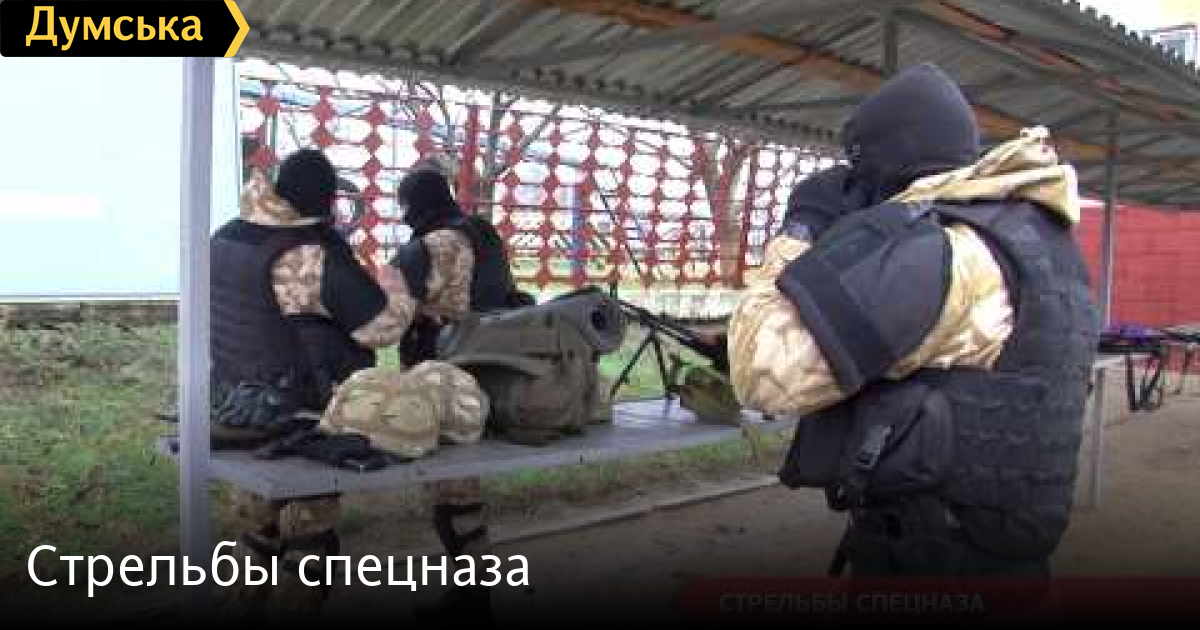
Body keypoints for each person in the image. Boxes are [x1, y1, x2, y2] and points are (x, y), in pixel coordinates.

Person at [727, 62, 1099, 579]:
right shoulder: (1036, 238)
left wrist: (800, 231)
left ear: (887, 163)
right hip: (1003, 558)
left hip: (932, 563)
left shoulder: (946, 253)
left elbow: (765, 374)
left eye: (858, 170)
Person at [209, 148, 417, 620]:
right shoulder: (306, 252)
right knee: (308, 539)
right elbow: (379, 328)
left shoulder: (225, 237)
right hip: (299, 419)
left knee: (256, 532)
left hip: (229, 410)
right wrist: (397, 288)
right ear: (325, 201)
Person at [387, 157, 528, 621]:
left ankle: (470, 601)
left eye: (405, 206)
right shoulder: (485, 235)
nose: (405, 216)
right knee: (462, 488)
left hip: (438, 382)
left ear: (415, 204)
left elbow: (381, 316)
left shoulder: (429, 247)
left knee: (451, 490)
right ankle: (471, 596)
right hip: (489, 375)